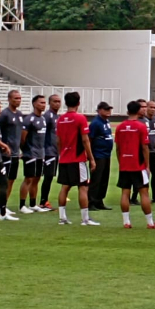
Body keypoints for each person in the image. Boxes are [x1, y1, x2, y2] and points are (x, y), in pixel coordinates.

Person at [56, 91, 99, 227]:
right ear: (79, 103)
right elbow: (85, 140)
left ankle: (62, 218)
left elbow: (58, 140)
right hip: (77, 159)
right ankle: (85, 219)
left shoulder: (61, 119)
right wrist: (91, 158)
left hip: (64, 158)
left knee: (65, 187)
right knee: (83, 187)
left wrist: (61, 154)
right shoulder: (80, 118)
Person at [115, 101, 155, 229]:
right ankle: (150, 223)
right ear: (139, 111)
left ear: (127, 111)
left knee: (125, 193)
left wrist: (121, 162)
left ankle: (126, 222)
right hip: (138, 165)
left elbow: (118, 148)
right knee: (144, 193)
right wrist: (147, 166)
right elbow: (145, 148)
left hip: (124, 164)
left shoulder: (120, 127)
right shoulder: (141, 127)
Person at [18, 95, 48, 214]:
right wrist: (26, 151)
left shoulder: (43, 119)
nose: (43, 105)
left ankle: (33, 204)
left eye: (44, 103)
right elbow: (22, 138)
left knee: (37, 179)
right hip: (30, 154)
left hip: (41, 154)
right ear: (34, 104)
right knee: (28, 178)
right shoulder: (29, 119)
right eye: (41, 102)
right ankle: (22, 205)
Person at [0, 90, 23, 219]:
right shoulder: (4, 115)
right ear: (9, 99)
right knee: (3, 181)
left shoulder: (19, 114)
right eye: (15, 98)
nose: (18, 100)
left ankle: (4, 204)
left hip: (15, 153)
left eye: (19, 98)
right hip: (6, 153)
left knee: (11, 180)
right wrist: (2, 146)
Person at [88, 102, 114, 211]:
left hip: (106, 154)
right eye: (106, 109)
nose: (108, 111)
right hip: (98, 154)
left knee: (104, 179)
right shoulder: (95, 123)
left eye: (109, 109)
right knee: (96, 179)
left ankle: (99, 200)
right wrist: (91, 156)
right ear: (99, 110)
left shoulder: (106, 121)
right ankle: (91, 201)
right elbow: (90, 139)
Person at [39, 94, 61, 210]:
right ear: (50, 103)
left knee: (50, 177)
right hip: (48, 151)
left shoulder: (57, 116)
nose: (57, 103)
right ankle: (43, 201)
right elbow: (42, 133)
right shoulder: (47, 116)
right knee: (47, 177)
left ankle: (44, 200)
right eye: (55, 101)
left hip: (55, 151)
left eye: (59, 101)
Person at [130, 99, 149, 206]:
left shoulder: (146, 121)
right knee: (139, 180)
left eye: (145, 106)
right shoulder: (138, 124)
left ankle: (135, 197)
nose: (144, 109)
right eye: (142, 107)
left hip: (147, 151)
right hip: (138, 155)